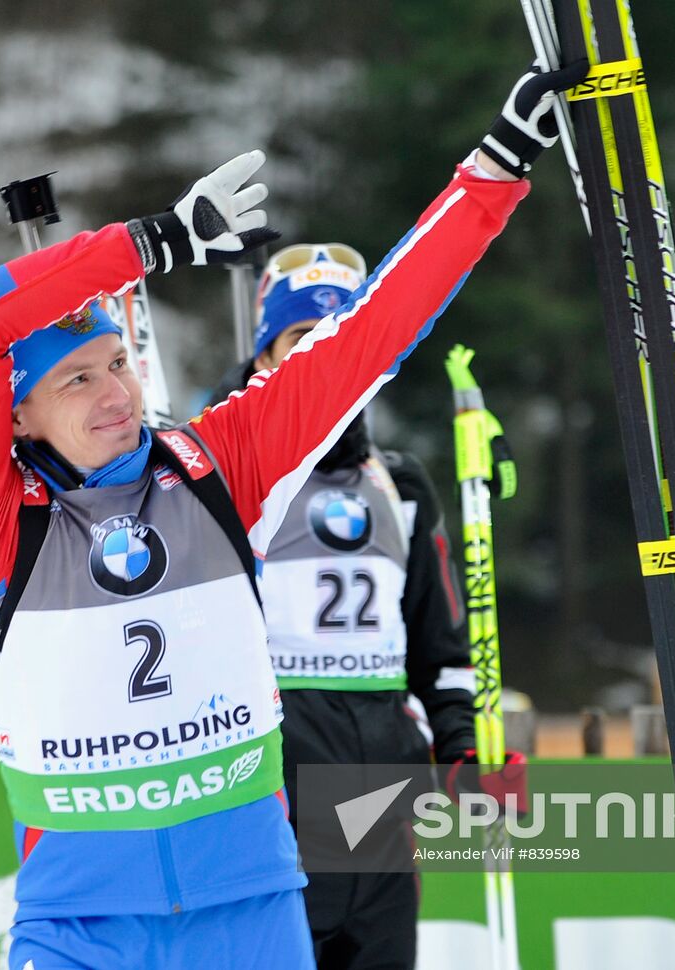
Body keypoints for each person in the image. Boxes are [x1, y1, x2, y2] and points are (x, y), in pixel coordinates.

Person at [0, 60, 584, 970]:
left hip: (252, 912)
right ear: (18, 412)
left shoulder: (217, 468)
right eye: (76, 379)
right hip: (80, 928)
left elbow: (373, 332)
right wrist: (148, 243)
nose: (115, 392)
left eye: (119, 362)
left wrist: (495, 172)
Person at [208, 243, 513, 968]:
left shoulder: (399, 487)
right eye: (299, 343)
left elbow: (438, 648)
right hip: (271, 796)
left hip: (383, 804)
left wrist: (464, 748)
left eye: (339, 341)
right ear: (264, 357)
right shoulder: (218, 476)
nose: (321, 362)